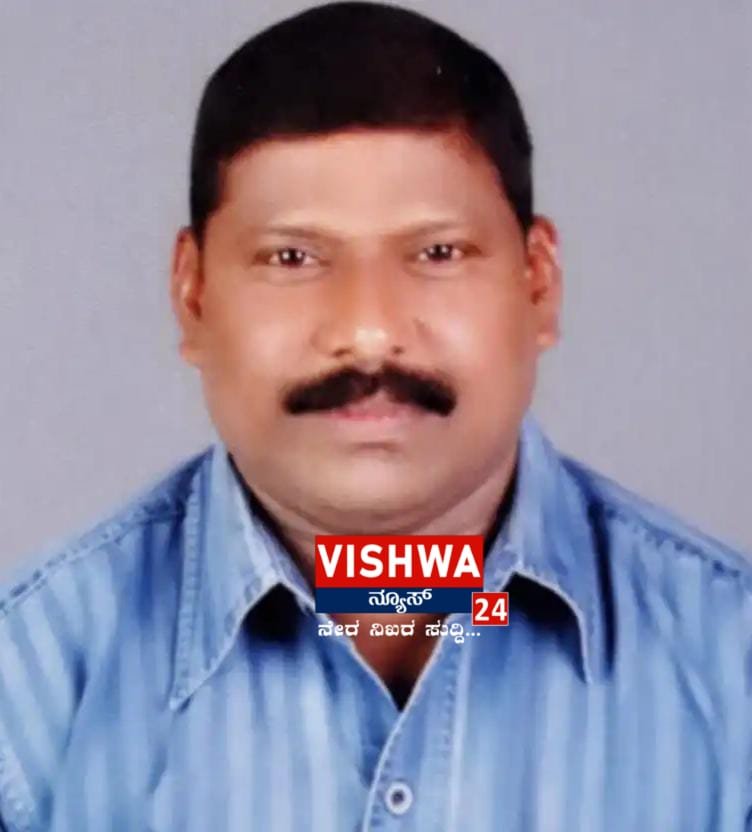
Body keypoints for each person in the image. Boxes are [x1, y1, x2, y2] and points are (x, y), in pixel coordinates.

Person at [0, 2, 750, 830]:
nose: (367, 332)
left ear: (538, 283)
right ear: (194, 295)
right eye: (292, 257)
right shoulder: (23, 702)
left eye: (437, 253)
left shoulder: (733, 676)